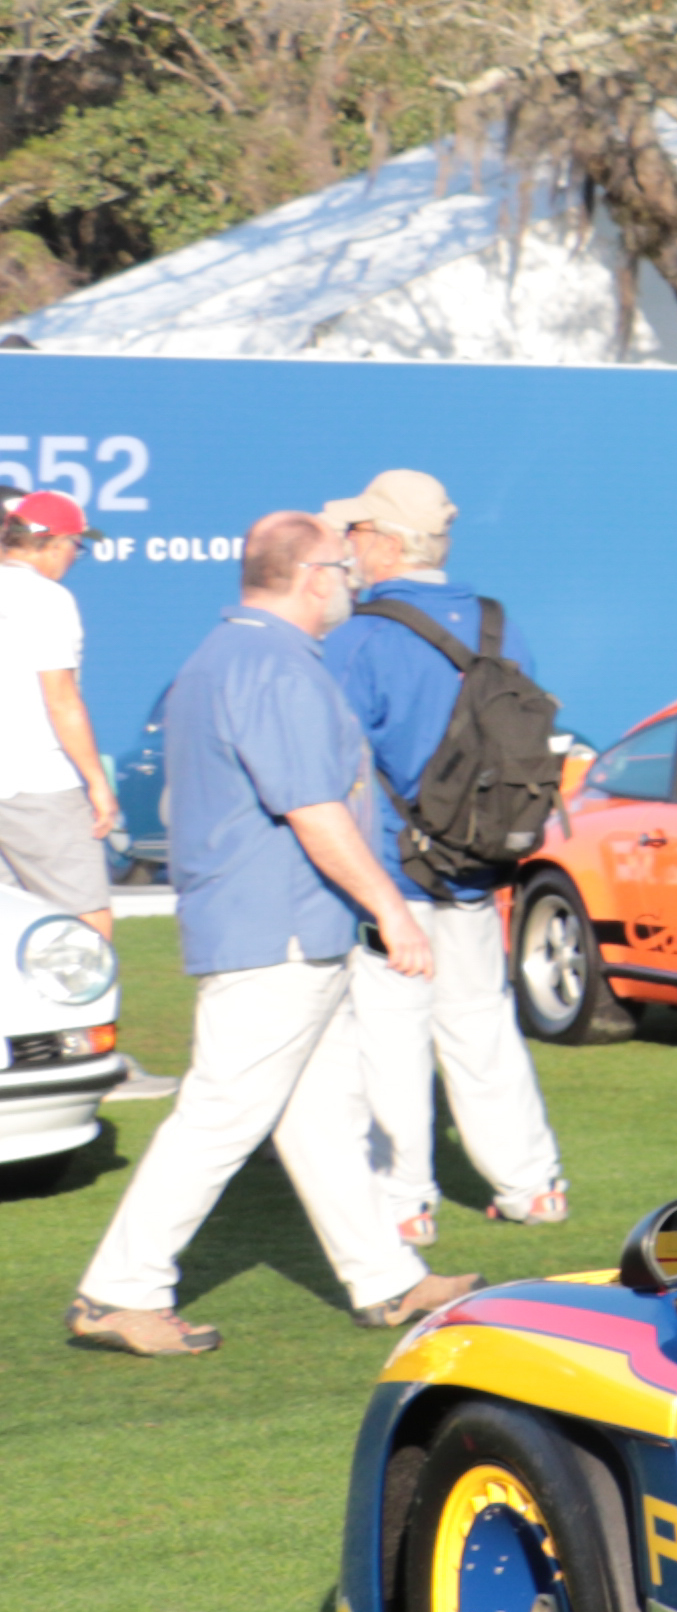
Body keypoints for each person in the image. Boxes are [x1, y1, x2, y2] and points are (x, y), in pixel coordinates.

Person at [64, 516, 476, 1356]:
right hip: (278, 926)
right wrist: (391, 911)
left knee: (321, 1114)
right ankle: (118, 1292)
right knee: (222, 1113)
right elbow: (313, 811)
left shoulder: (226, 655)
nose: (354, 582)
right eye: (344, 569)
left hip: (275, 921)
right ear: (311, 575)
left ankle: (386, 1279)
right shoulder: (272, 664)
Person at [320, 467, 572, 1235]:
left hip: (393, 874)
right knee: (481, 1023)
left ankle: (403, 1203)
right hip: (476, 862)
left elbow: (334, 764)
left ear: (387, 543)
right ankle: (532, 1186)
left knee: (390, 1036)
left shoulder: (357, 638)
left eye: (357, 532)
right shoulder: (498, 623)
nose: (348, 544)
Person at [0, 486, 116, 917]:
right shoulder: (48, 600)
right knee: (87, 920)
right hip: (39, 782)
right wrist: (97, 784)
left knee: (11, 928)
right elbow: (61, 701)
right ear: (51, 544)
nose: (73, 556)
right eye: (75, 545)